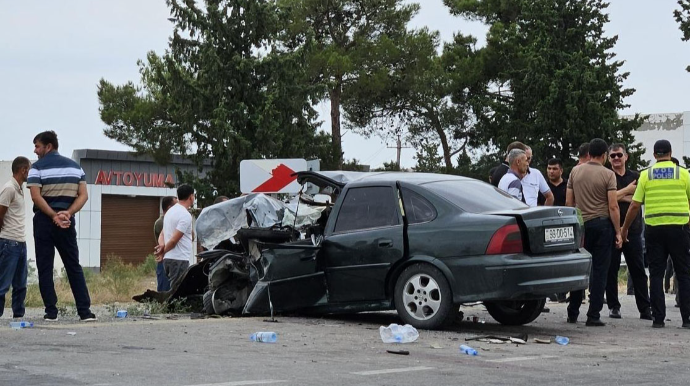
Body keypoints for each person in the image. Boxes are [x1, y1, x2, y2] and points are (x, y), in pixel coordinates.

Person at [27, 131, 96, 322]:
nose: (35, 150)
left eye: (37, 146)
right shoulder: (76, 168)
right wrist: (68, 213)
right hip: (66, 221)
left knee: (45, 266)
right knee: (73, 265)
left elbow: (35, 196)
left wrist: (52, 215)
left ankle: (51, 311)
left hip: (44, 222)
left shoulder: (36, 169)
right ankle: (84, 311)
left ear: (48, 146)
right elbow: (83, 195)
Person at [621, 140, 690, 329]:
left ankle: (658, 319)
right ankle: (687, 319)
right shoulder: (683, 173)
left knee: (657, 274)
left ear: (654, 155)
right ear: (670, 152)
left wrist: (625, 228)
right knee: (683, 274)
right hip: (680, 228)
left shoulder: (646, 175)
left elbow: (635, 205)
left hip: (654, 229)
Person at [566, 138, 622, 326]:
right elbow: (613, 206)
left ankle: (572, 312)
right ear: (605, 155)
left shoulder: (575, 171)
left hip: (581, 225)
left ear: (589, 154)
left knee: (578, 267)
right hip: (602, 225)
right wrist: (618, 231)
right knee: (599, 271)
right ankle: (593, 315)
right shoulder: (608, 175)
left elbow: (569, 203)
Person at [605, 143, 651, 320]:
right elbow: (605, 200)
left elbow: (641, 199)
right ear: (608, 159)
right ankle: (614, 307)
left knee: (638, 270)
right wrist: (627, 192)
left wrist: (617, 195)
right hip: (612, 230)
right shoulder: (607, 176)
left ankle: (645, 308)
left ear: (626, 157)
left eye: (619, 155)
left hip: (633, 230)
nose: (616, 158)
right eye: (613, 156)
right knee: (612, 270)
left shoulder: (637, 176)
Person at [0, 157, 31, 319]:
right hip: (8, 242)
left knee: (20, 284)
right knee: (3, 283)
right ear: (23, 170)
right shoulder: (9, 188)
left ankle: (18, 315)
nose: (29, 173)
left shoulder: (19, 189)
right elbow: (0, 213)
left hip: (20, 242)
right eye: (29, 170)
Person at [155, 184, 195, 290]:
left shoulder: (169, 212)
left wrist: (162, 246)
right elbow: (173, 241)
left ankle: (168, 306)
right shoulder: (185, 215)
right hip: (179, 259)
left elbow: (162, 234)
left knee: (172, 290)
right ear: (191, 196)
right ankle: (173, 307)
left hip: (169, 259)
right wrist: (162, 251)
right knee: (178, 293)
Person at [153, 196, 177, 292]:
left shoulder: (174, 220)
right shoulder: (161, 222)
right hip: (165, 260)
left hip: (173, 260)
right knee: (164, 291)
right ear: (169, 208)